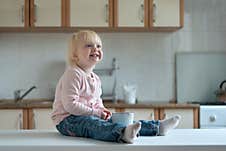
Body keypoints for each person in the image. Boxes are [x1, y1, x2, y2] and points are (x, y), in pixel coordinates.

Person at [51, 30, 181, 143]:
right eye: (89, 45)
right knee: (92, 124)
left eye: (98, 46)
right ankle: (123, 134)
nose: (95, 49)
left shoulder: (95, 78)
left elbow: (97, 101)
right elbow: (70, 105)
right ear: (75, 55)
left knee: (114, 120)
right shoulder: (73, 73)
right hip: (67, 121)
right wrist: (96, 112)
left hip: (86, 116)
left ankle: (157, 127)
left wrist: (102, 110)